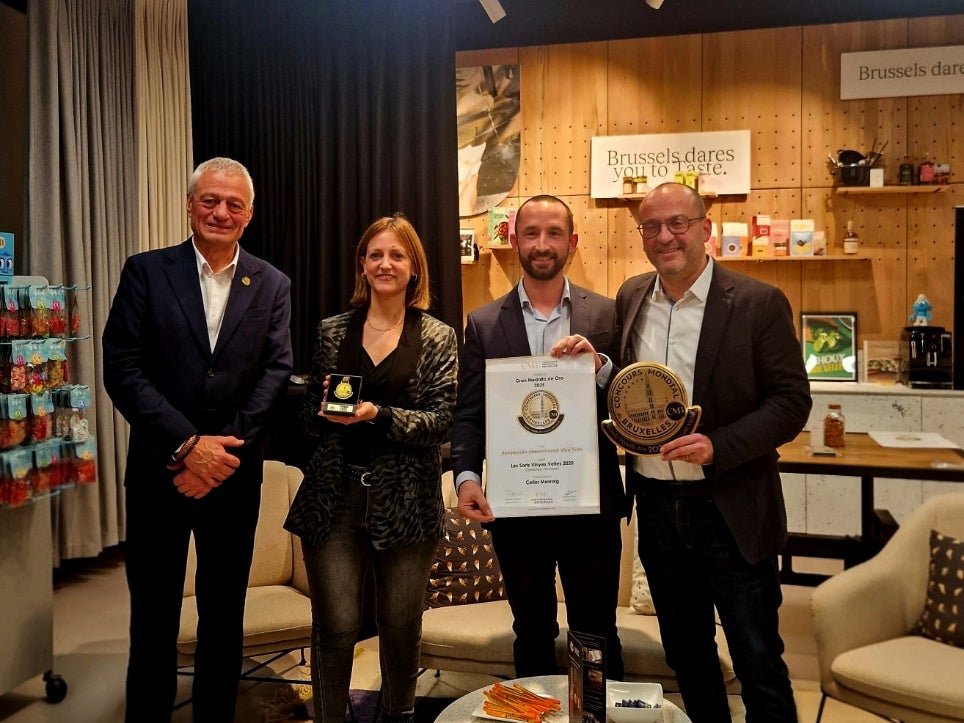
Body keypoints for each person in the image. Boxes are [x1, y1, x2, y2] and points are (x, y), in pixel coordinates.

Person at [102, 157, 293, 723]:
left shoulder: (273, 283)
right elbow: (122, 368)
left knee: (222, 613)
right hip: (161, 472)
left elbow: (276, 373)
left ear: (249, 214)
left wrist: (219, 455)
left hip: (233, 477)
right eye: (210, 200)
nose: (221, 212)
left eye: (234, 204)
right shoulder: (145, 272)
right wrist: (188, 446)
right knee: (155, 615)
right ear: (189, 205)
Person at [614, 182, 812, 722]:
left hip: (731, 505)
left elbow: (792, 402)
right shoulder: (632, 297)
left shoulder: (757, 302)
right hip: (655, 506)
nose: (665, 236)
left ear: (706, 228)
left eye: (678, 223)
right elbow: (629, 390)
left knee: (756, 657)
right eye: (651, 227)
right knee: (686, 655)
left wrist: (718, 446)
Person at [284, 214, 458, 723]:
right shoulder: (332, 330)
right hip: (334, 498)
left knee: (401, 624)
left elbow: (440, 422)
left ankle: (397, 716)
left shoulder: (439, 336)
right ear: (362, 264)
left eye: (397, 255)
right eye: (376, 254)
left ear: (414, 268)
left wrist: (377, 414)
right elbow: (307, 417)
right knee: (335, 626)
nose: (386, 263)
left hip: (407, 503)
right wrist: (313, 410)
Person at [452, 194, 630, 680]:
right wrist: (466, 476)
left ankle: (597, 718)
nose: (542, 244)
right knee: (531, 628)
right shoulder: (484, 323)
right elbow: (468, 415)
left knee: (596, 630)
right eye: (531, 233)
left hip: (591, 506)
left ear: (572, 242)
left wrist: (600, 368)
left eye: (554, 233)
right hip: (516, 507)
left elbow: (632, 405)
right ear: (513, 241)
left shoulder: (610, 316)